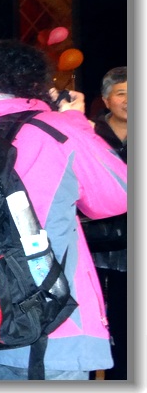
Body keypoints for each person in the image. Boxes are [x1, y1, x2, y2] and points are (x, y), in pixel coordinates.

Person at [0, 40, 127, 380]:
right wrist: (74, 120)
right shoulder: (56, 129)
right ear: (36, 81)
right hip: (50, 328)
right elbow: (118, 195)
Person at [87, 66, 127, 380]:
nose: (129, 100)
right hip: (94, 247)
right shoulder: (89, 135)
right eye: (121, 93)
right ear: (105, 99)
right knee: (94, 324)